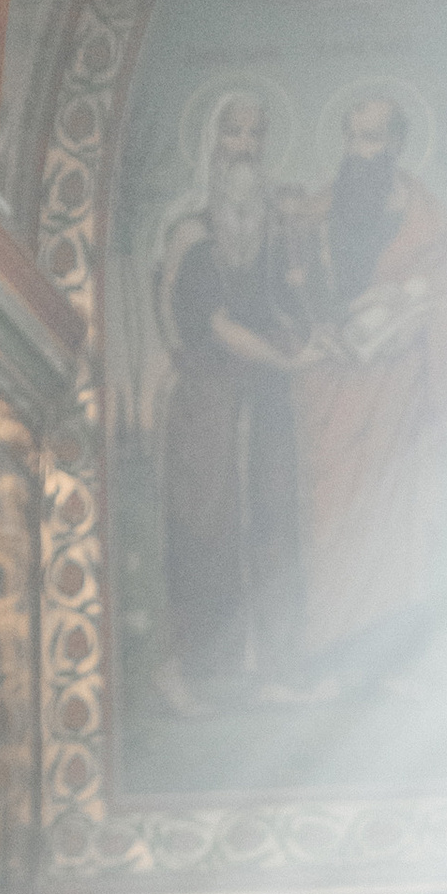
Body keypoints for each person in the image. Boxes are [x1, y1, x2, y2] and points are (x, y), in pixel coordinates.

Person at [289, 95, 447, 684]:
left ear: (396, 144)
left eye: (372, 139)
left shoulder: (425, 220)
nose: (360, 151)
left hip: (397, 390)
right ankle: (332, 644)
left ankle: (386, 651)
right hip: (332, 386)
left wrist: (409, 320)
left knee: (393, 520)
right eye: (353, 138)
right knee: (334, 517)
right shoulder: (317, 213)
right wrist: (316, 326)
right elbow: (292, 294)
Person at [155, 90, 309, 707]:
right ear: (212, 144)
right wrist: (283, 357)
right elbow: (212, 323)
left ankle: (269, 666)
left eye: (255, 135)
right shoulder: (190, 235)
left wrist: (303, 318)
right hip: (209, 402)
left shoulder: (273, 233)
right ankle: (199, 671)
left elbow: (284, 305)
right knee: (208, 526)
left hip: (265, 403)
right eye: (233, 133)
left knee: (271, 521)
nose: (244, 148)